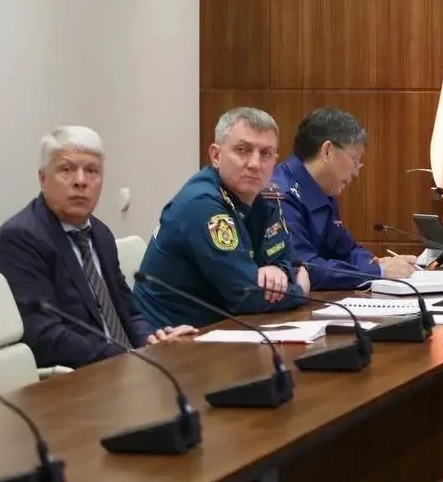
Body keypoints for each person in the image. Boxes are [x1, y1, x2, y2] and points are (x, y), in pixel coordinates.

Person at [0, 126, 196, 369]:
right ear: (42, 179)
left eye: (92, 171)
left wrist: (151, 340)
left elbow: (129, 312)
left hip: (125, 366)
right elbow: (44, 337)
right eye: (66, 169)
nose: (81, 181)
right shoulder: (20, 239)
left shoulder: (100, 233)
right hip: (78, 378)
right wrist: (128, 356)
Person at [132, 107, 311, 329]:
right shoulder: (202, 205)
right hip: (169, 336)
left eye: (266, 153)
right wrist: (300, 290)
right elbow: (246, 295)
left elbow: (290, 259)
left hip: (222, 328)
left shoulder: (263, 198)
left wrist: (280, 270)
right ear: (216, 156)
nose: (255, 164)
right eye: (243, 150)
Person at [271, 107, 418, 290]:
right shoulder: (280, 194)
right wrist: (378, 271)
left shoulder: (324, 189)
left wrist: (374, 263)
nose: (356, 173)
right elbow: (305, 268)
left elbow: (345, 249)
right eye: (354, 160)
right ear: (327, 151)